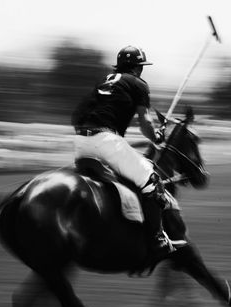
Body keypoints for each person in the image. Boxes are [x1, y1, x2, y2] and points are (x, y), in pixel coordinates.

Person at [71, 45, 185, 259]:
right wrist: (157, 137)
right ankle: (158, 238)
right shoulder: (138, 84)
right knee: (152, 180)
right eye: (141, 67)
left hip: (80, 141)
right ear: (137, 68)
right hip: (105, 141)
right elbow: (145, 123)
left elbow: (78, 114)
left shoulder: (106, 80)